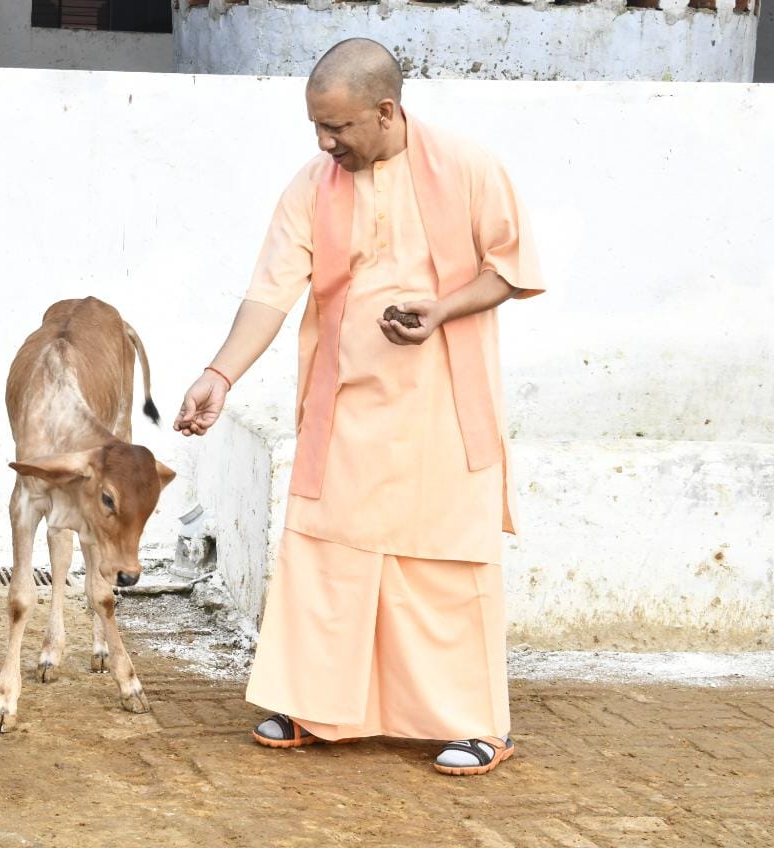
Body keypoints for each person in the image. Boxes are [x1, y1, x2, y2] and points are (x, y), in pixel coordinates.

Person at [172, 37, 545, 776]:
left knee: (442, 564)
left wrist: (442, 309)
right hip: (342, 408)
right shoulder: (312, 185)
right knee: (329, 555)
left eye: (337, 126)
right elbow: (270, 294)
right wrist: (220, 373)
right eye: (317, 126)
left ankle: (476, 723)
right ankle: (319, 709)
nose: (325, 141)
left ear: (385, 110)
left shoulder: (469, 167)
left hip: (444, 410)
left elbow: (512, 268)